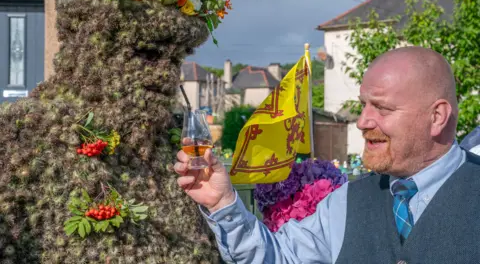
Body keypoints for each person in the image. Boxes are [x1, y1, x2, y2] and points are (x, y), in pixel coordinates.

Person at [175, 46, 480, 263]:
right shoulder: (345, 201)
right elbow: (279, 257)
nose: (362, 121)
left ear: (437, 117)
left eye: (383, 108)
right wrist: (223, 203)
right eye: (363, 105)